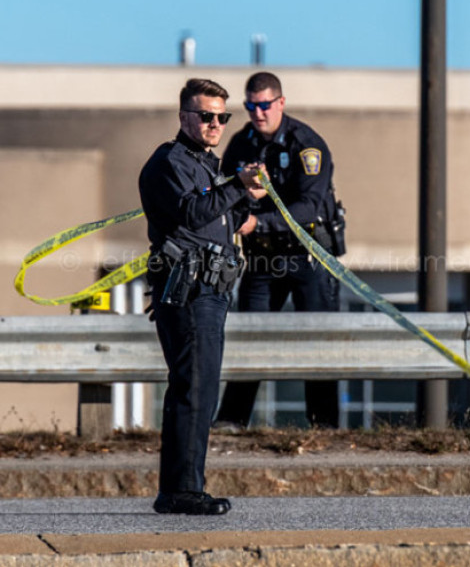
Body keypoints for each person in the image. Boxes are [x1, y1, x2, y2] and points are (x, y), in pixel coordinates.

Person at [139, 78, 267, 515]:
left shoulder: (207, 165)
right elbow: (194, 213)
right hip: (190, 290)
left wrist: (247, 199)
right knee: (194, 389)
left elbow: (223, 218)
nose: (215, 124)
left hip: (212, 289)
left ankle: (184, 486)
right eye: (206, 116)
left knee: (201, 389)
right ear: (184, 117)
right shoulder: (170, 162)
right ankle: (181, 490)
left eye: (221, 117)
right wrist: (235, 187)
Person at [215, 72, 343, 429]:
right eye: (251, 106)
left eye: (265, 105)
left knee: (317, 343)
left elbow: (310, 207)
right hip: (261, 259)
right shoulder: (241, 145)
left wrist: (261, 220)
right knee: (251, 338)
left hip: (307, 255)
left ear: (280, 103)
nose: (258, 113)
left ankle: (324, 425)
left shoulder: (307, 145)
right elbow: (224, 194)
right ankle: (232, 421)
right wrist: (244, 198)